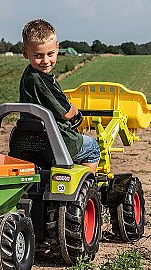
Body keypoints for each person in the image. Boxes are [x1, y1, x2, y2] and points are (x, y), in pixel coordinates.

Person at [19, 19, 100, 174]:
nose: (45, 61)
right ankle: (87, 185)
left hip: (30, 142)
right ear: (25, 53)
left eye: (50, 54)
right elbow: (67, 113)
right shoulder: (42, 81)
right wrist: (76, 112)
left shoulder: (28, 76)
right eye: (38, 55)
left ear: (57, 48)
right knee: (93, 148)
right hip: (58, 142)